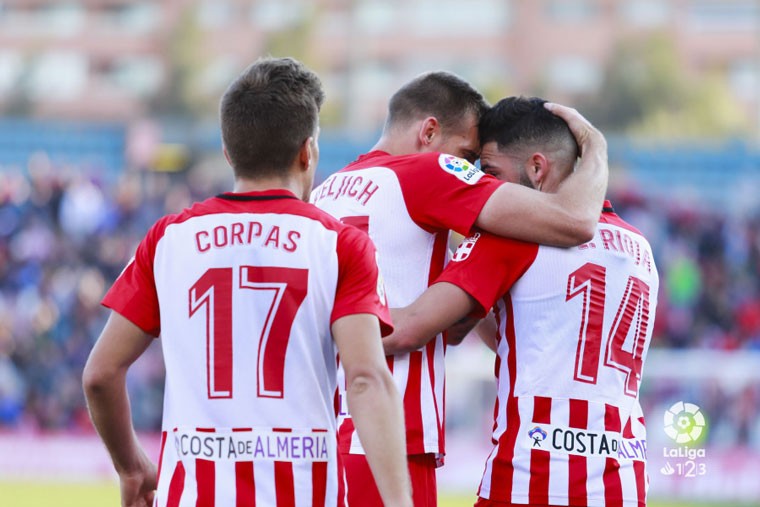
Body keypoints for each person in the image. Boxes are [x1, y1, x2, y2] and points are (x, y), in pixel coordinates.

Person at [83, 57, 412, 507]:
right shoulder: (341, 245)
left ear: (227, 151)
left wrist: (132, 467)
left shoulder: (168, 239)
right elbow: (367, 381)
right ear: (307, 152)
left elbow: (100, 375)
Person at [311, 72, 610, 507]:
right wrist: (596, 148)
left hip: (319, 440)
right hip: (387, 439)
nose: (471, 172)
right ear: (429, 132)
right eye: (468, 155)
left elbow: (451, 327)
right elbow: (576, 220)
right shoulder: (428, 170)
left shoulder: (323, 193)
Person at [385, 96, 659, 507]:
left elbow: (413, 328)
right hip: (625, 481)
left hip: (532, 480)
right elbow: (536, 337)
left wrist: (323, 321)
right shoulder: (641, 249)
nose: (485, 186)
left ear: (536, 168)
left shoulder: (514, 237)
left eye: (492, 173)